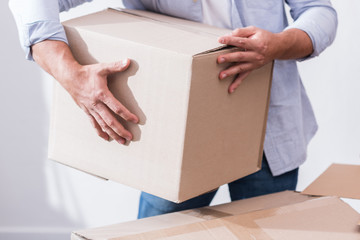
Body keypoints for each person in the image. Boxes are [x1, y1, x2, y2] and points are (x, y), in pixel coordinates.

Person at [9, 0, 337, 218]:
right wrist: (69, 74)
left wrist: (280, 43)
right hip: (173, 140)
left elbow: (320, 11)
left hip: (267, 130)